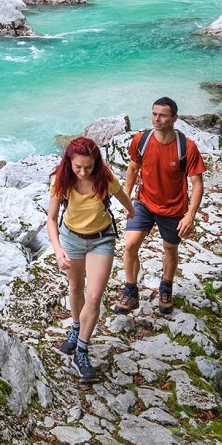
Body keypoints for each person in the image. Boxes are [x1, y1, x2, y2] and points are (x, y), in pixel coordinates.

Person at [46, 135, 135, 382]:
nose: (83, 172)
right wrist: (57, 250)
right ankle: (76, 328)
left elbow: (123, 197)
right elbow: (52, 219)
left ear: (96, 162)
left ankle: (82, 351)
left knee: (94, 296)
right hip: (71, 238)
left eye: (88, 166)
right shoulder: (60, 180)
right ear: (69, 163)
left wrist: (131, 211)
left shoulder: (104, 178)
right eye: (78, 167)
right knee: (75, 287)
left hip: (101, 238)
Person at [115, 96, 205, 315]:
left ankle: (166, 287)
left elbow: (197, 184)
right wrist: (127, 200)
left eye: (163, 115)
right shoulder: (141, 141)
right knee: (130, 245)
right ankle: (130, 291)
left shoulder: (187, 148)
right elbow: (133, 168)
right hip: (144, 202)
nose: (157, 119)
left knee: (170, 248)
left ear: (174, 118)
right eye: (154, 114)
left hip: (173, 208)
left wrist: (190, 216)